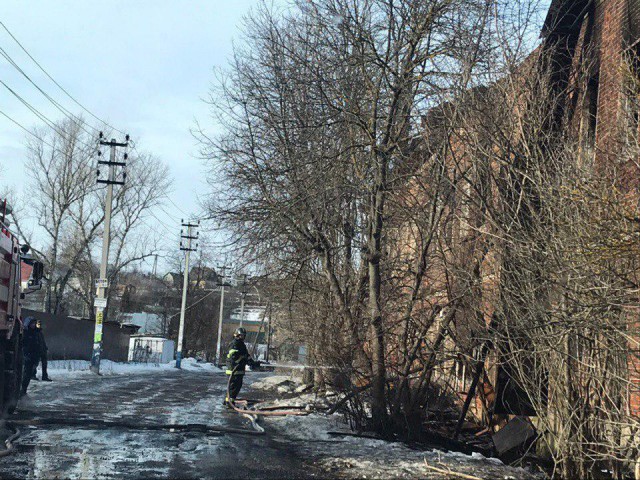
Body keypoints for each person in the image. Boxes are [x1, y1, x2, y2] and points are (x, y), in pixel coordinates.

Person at [225, 327, 257, 406]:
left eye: (243, 336)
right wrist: (243, 360)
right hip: (233, 370)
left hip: (239, 370)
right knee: (233, 387)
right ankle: (229, 402)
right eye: (241, 335)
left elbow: (246, 355)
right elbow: (233, 356)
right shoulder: (234, 344)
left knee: (237, 387)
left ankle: (230, 400)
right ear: (237, 335)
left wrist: (253, 362)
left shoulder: (242, 345)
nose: (242, 337)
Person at [21, 317, 41, 396]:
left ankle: (24, 389)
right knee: (26, 373)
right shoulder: (26, 333)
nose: (33, 325)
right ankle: (23, 389)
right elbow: (23, 344)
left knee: (30, 374)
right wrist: (26, 354)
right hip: (28, 355)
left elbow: (39, 343)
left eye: (34, 323)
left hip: (35, 356)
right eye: (32, 323)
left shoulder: (36, 332)